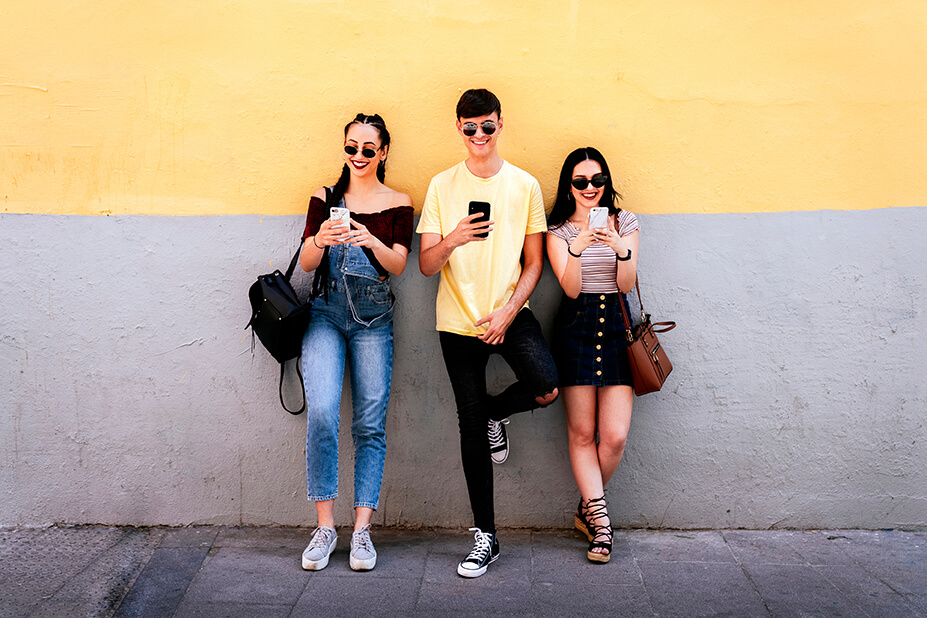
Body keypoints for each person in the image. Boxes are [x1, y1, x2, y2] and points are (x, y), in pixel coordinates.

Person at [417, 88, 559, 578]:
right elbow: (426, 266)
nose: (479, 135)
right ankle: (486, 536)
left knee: (546, 387)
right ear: (459, 128)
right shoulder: (441, 185)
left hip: (510, 314)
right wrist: (455, 236)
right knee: (468, 422)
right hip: (457, 322)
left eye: (487, 126)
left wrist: (507, 313)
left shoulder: (524, 185)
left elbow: (535, 263)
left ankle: (497, 415)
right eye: (470, 127)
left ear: (501, 124)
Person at [298, 113, 413, 572]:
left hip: (374, 320)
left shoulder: (398, 202)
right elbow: (306, 263)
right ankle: (325, 526)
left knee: (370, 423)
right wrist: (322, 238)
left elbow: (399, 265)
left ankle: (362, 531)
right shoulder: (324, 199)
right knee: (323, 411)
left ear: (383, 152)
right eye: (352, 148)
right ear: (343, 149)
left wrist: (368, 239)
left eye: (369, 149)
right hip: (325, 315)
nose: (359, 157)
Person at [545, 147, 640, 563]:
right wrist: (579, 246)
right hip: (576, 326)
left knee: (614, 436)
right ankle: (601, 525)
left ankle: (588, 506)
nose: (590, 189)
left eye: (597, 180)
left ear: (607, 182)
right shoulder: (559, 231)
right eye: (581, 182)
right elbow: (569, 288)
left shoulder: (626, 222)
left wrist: (620, 248)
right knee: (582, 434)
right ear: (570, 185)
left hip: (616, 325)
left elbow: (626, 283)